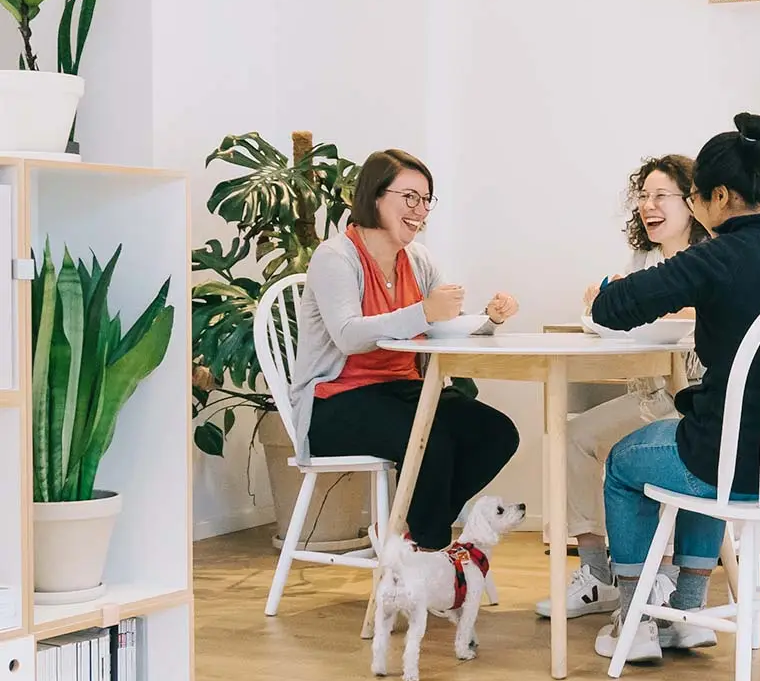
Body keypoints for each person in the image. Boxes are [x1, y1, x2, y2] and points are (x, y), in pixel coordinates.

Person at [588, 112, 760, 664]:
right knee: (706, 449)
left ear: (720, 196)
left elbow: (612, 309)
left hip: (732, 460)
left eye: (696, 198)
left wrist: (610, 287)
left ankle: (636, 618)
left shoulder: (719, 255)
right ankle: (689, 614)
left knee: (627, 462)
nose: (697, 208)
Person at [290, 148, 521, 551]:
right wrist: (423, 311)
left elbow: (442, 327)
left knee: (497, 433)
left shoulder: (417, 259)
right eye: (409, 197)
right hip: (334, 402)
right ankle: (427, 551)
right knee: (430, 440)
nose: (420, 209)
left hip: (404, 391)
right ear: (375, 196)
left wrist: (490, 320)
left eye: (426, 199)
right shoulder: (335, 257)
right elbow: (348, 335)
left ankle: (404, 532)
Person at [535, 155, 709, 622]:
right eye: (643, 196)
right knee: (573, 437)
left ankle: (663, 575)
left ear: (692, 202)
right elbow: (622, 313)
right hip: (653, 395)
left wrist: (643, 304)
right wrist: (604, 298)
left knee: (647, 458)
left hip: (697, 399)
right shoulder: (645, 261)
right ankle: (596, 573)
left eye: (661, 196)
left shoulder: (711, 254)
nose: (649, 206)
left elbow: (700, 313)